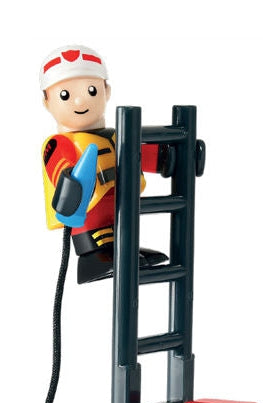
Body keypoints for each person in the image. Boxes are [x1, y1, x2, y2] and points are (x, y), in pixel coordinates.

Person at [40, 45, 171, 283]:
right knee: (98, 238)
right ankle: (94, 258)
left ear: (106, 91)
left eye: (91, 90)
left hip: (120, 211)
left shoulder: (116, 136)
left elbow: (140, 154)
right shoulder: (60, 143)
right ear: (47, 102)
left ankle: (125, 251)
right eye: (65, 95)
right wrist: (70, 180)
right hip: (89, 221)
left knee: (124, 233)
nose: (79, 100)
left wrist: (169, 157)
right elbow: (58, 166)